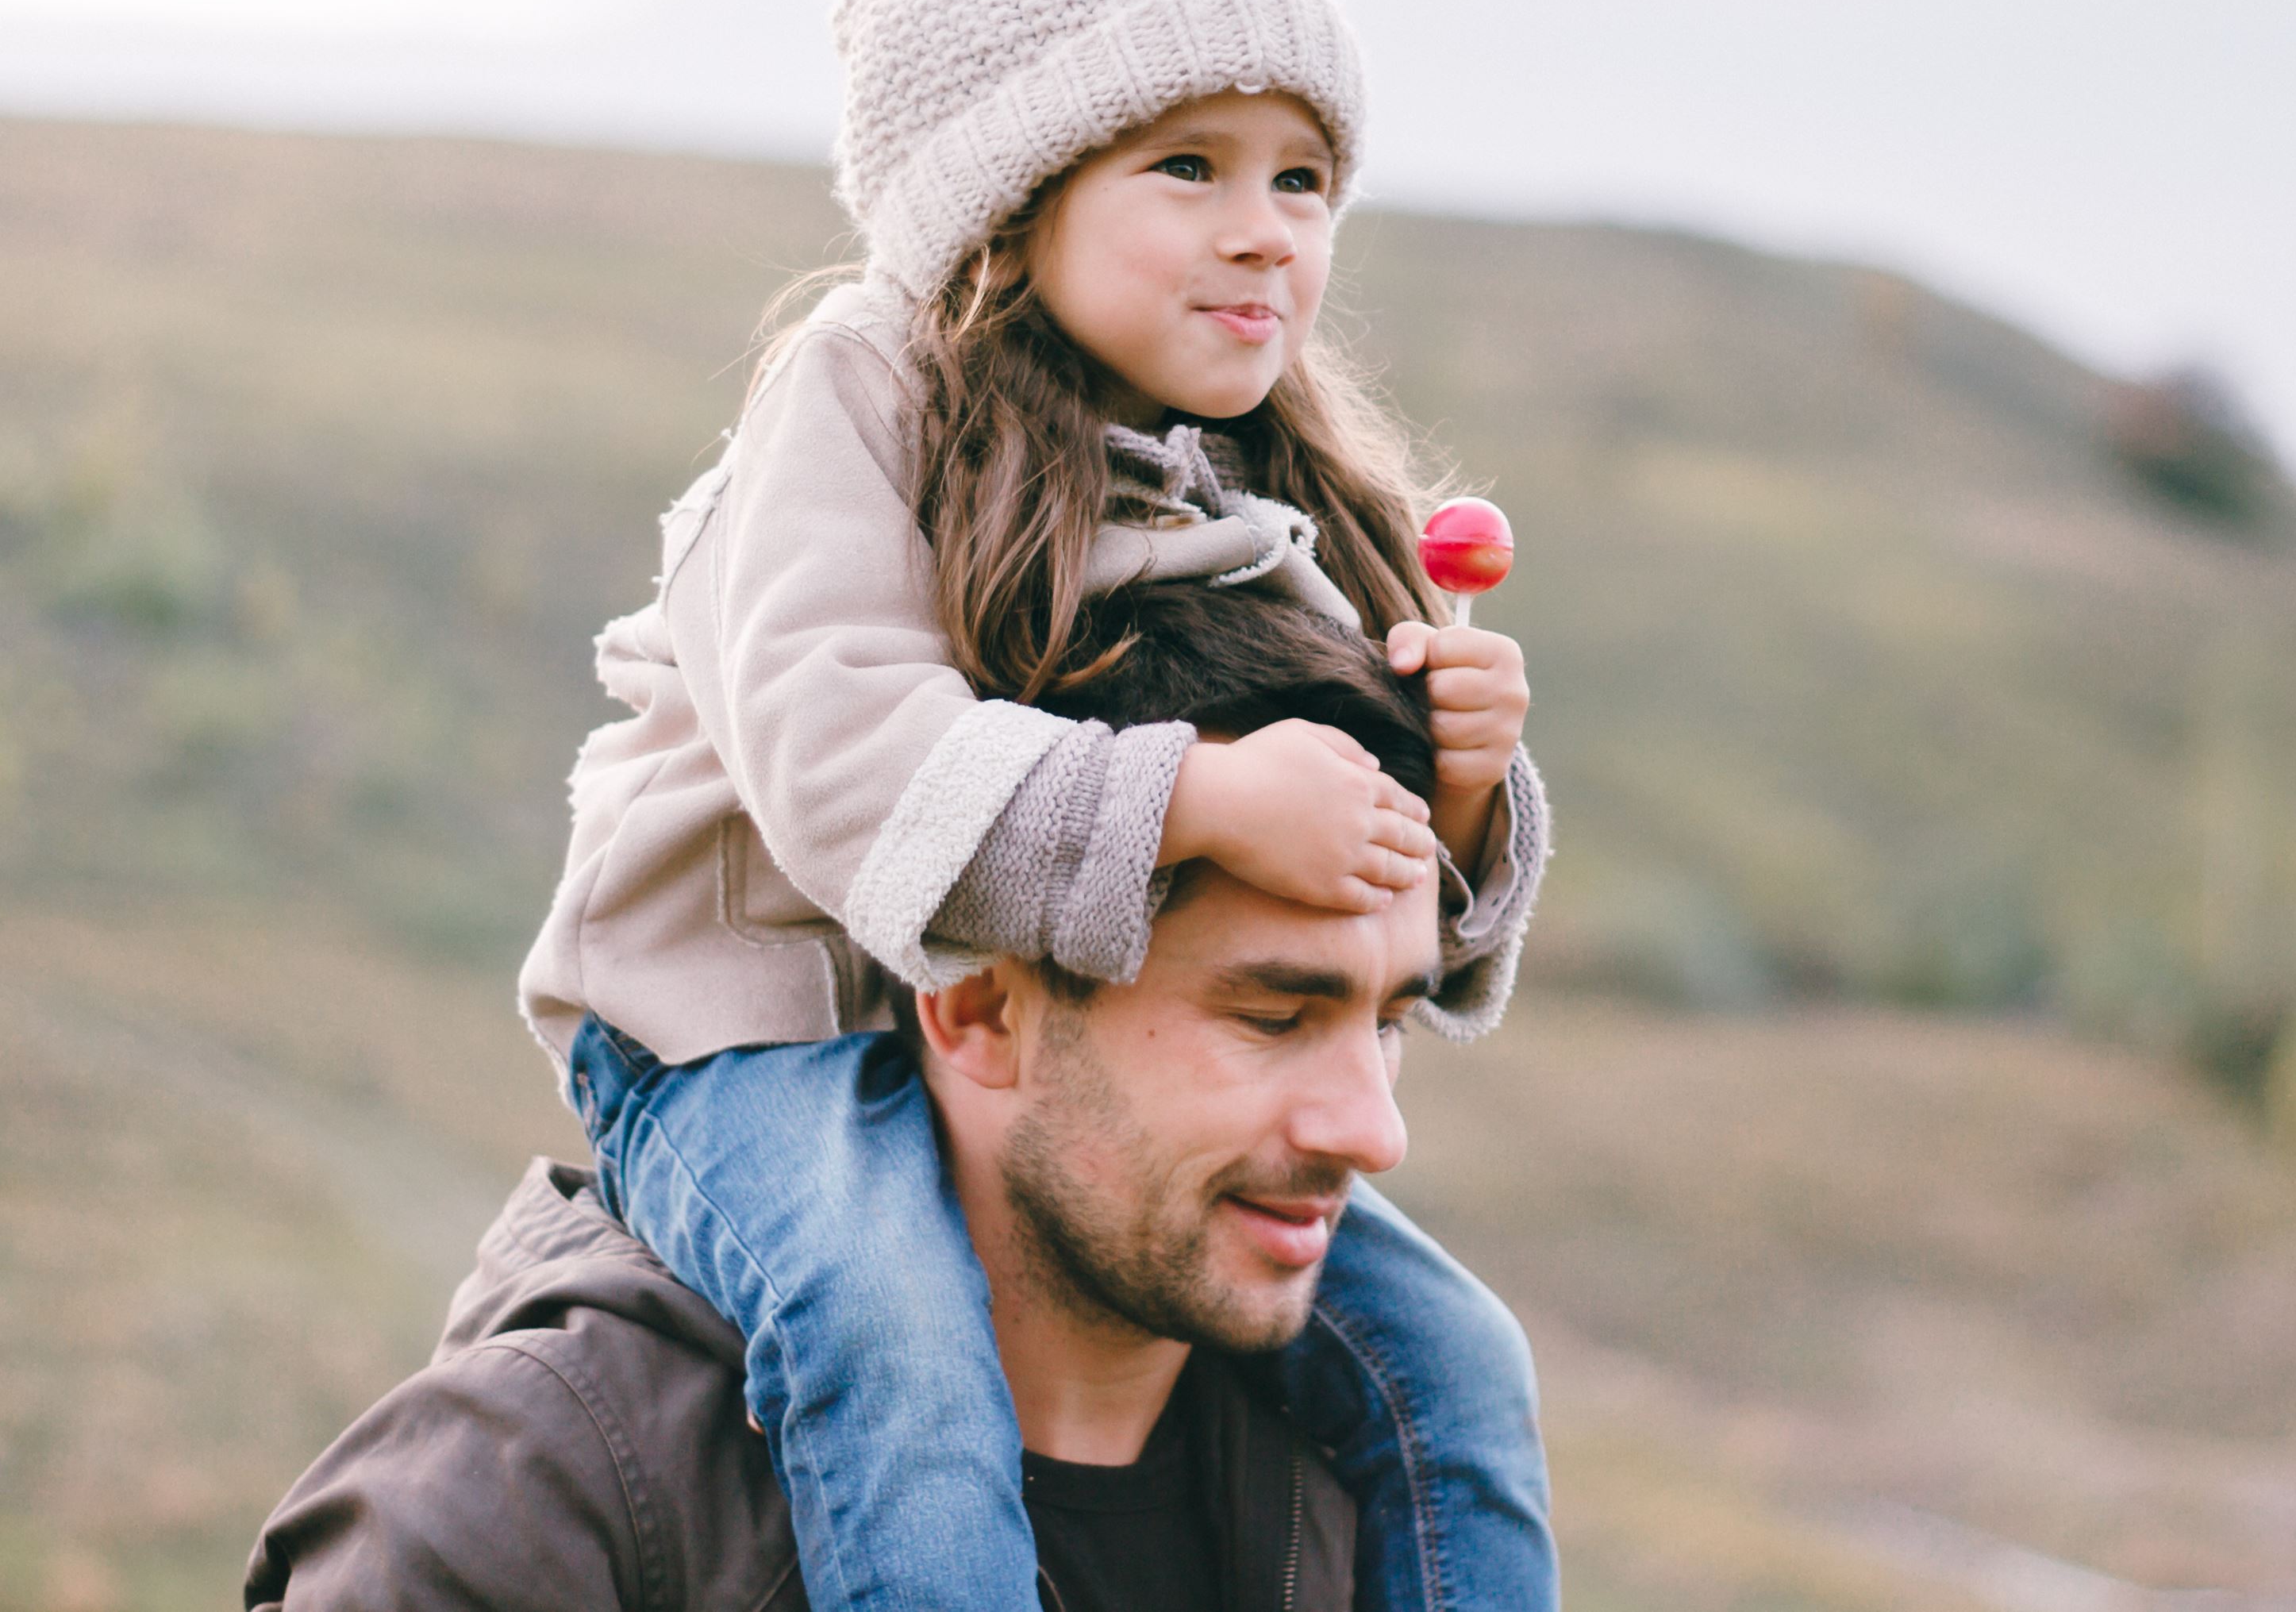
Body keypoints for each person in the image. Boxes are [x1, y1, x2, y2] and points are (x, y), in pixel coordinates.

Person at [513, 0, 1556, 1612]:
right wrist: (1201, 798)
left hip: (1025, 1061)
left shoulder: (1247, 453)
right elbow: (841, 757)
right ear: (1003, 202)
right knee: (895, 1348)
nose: (1264, 227)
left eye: (1303, 177)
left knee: (1450, 1366)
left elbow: (1366, 901)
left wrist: (1458, 794)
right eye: (1187, 165)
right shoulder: (856, 391)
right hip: (741, 1028)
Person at [255, 586, 1487, 1609]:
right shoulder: (538, 1511)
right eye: (1274, 1016)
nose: (1375, 1129)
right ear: (979, 1007)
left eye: (1387, 1023)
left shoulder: (1366, 1514)